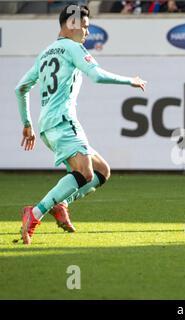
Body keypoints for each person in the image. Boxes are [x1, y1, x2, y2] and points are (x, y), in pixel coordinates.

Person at [15, 4, 147, 245]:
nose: (87, 32)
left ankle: (61, 203)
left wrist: (27, 123)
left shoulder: (45, 53)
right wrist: (131, 81)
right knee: (85, 173)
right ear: (72, 24)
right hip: (63, 122)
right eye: (85, 27)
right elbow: (96, 75)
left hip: (48, 125)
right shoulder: (73, 48)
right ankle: (35, 213)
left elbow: (20, 88)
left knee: (102, 171)